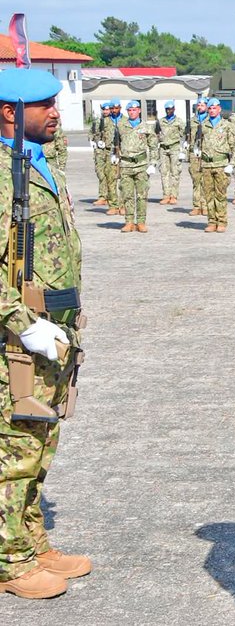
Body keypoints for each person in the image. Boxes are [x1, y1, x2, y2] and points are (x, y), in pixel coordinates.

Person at [0, 68, 88, 600]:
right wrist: (24, 324)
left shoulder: (34, 163)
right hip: (17, 336)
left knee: (41, 437)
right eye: (44, 106)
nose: (56, 113)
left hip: (54, 326)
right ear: (9, 112)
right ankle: (9, 560)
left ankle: (31, 541)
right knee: (13, 448)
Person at [115, 100, 159, 233]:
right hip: (126, 165)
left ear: (139, 110)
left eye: (134, 110)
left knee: (142, 195)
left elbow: (153, 146)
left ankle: (141, 221)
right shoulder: (121, 126)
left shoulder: (146, 127)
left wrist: (153, 164)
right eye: (129, 110)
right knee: (127, 195)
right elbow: (116, 143)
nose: (132, 112)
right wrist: (115, 157)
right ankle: (129, 222)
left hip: (141, 165)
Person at [199, 98, 234, 232]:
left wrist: (232, 164)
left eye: (214, 108)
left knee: (220, 194)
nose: (212, 110)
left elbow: (233, 146)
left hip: (221, 164)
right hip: (207, 164)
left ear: (219, 109)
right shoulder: (204, 124)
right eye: (210, 108)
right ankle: (211, 221)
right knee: (208, 195)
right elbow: (198, 142)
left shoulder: (226, 125)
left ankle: (222, 221)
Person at [155, 100, 185, 205]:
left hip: (174, 148)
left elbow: (183, 134)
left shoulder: (179, 121)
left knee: (175, 172)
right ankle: (166, 195)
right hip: (163, 148)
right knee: (164, 172)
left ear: (174, 109)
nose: (169, 111)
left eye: (170, 109)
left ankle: (174, 195)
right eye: (167, 109)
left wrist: (183, 149)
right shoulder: (161, 121)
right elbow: (156, 134)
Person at [188, 98, 209, 217]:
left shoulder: (209, 120)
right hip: (194, 153)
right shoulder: (192, 121)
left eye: (202, 105)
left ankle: (205, 205)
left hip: (206, 152)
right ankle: (196, 206)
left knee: (205, 180)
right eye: (199, 105)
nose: (200, 107)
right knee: (196, 180)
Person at [89, 101, 112, 207]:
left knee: (110, 174)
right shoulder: (98, 121)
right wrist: (92, 140)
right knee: (100, 172)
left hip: (109, 150)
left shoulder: (114, 121)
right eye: (104, 109)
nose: (106, 111)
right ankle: (103, 196)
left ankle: (109, 197)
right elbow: (91, 132)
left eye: (107, 109)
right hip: (99, 150)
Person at [43, 124, 67, 188]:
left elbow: (62, 150)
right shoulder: (33, 127)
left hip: (51, 161)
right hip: (35, 160)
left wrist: (61, 169)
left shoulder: (55, 128)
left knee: (55, 184)